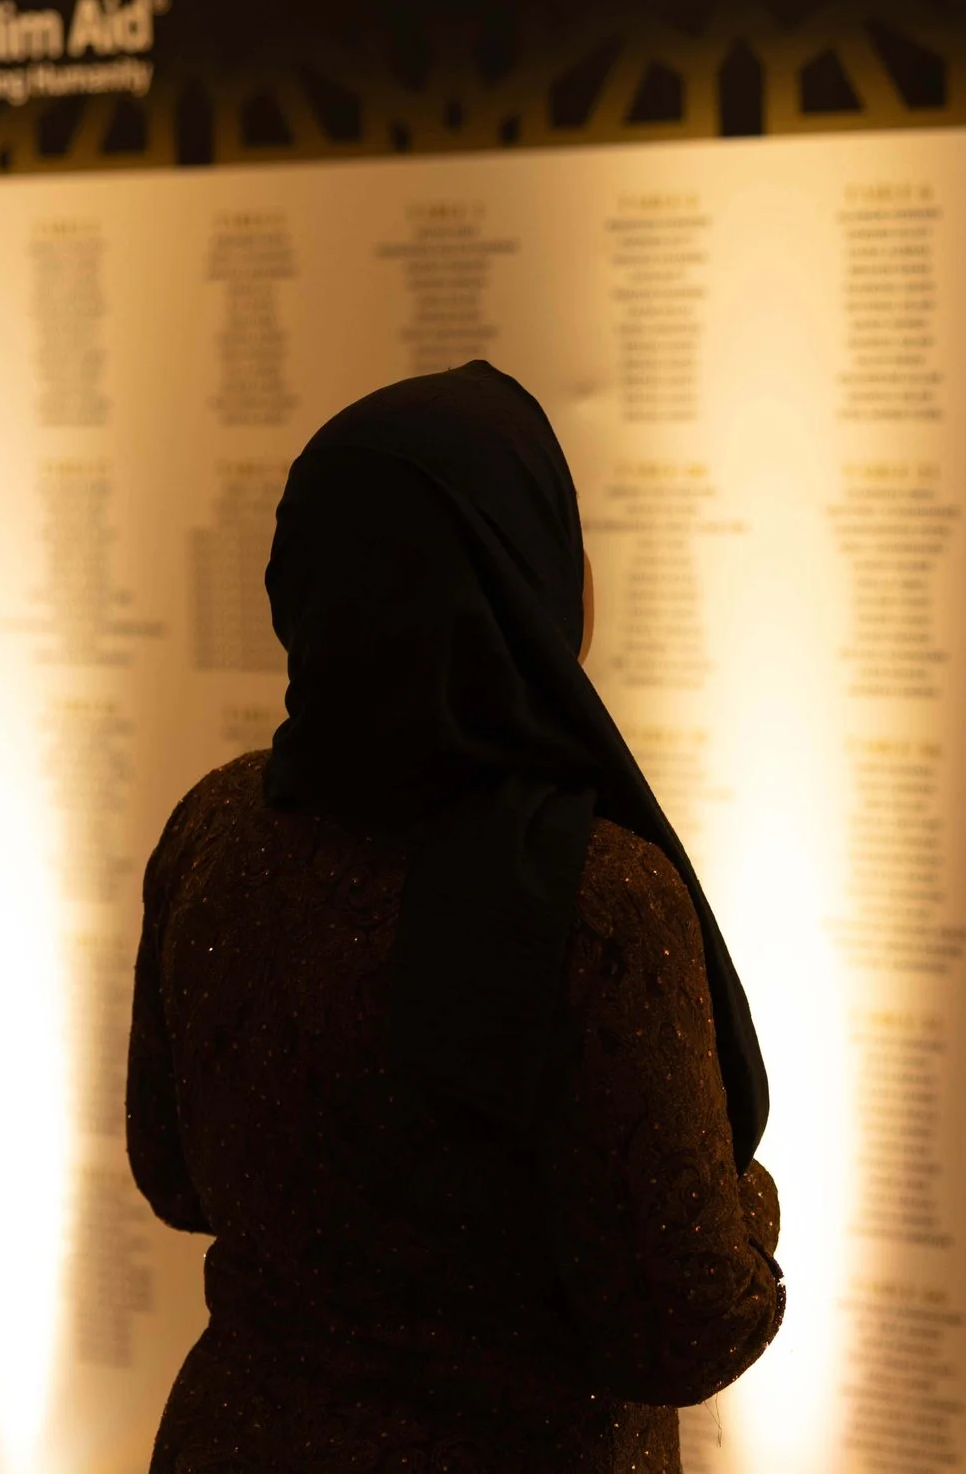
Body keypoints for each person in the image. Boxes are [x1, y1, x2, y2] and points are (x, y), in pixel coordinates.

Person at [127, 361, 782, 1472]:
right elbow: (682, 1323)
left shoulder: (214, 828)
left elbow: (176, 1175)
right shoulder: (598, 901)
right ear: (522, 578)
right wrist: (747, 1204)